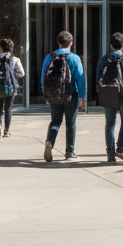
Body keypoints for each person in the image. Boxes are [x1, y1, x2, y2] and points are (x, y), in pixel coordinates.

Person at [41, 30, 86, 163]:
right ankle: (69, 152)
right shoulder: (75, 58)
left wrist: (46, 95)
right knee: (70, 123)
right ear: (71, 43)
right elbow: (80, 79)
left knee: (55, 120)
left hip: (54, 94)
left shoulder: (49, 57)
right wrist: (82, 97)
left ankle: (50, 141)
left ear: (58, 42)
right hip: (71, 95)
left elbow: (43, 78)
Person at [94, 32, 123, 161]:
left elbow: (98, 79)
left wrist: (99, 93)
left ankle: (110, 153)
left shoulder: (103, 60)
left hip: (108, 95)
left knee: (110, 124)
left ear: (111, 45)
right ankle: (120, 148)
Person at [0, 38, 24, 138]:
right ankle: (6, 131)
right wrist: (12, 75)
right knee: (8, 109)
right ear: (11, 48)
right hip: (11, 88)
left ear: (1, 48)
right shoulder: (15, 59)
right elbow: (21, 73)